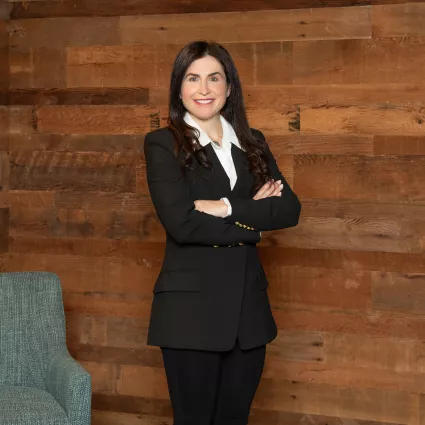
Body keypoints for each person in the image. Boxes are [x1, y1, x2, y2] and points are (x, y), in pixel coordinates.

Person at [144, 40, 301, 425]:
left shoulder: (253, 143)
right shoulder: (163, 144)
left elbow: (288, 209)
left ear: (229, 87)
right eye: (192, 78)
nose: (204, 89)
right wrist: (254, 226)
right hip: (189, 315)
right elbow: (182, 223)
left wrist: (226, 207)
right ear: (178, 88)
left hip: (248, 315)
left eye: (214, 78)